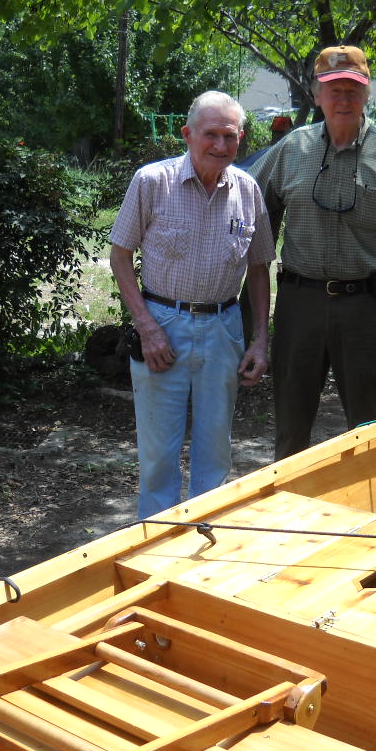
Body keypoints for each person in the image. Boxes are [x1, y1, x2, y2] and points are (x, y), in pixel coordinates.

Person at [249, 45, 376, 460]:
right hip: (300, 304)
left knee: (370, 433)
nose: (344, 98)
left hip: (365, 309)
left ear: (367, 94)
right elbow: (245, 204)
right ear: (316, 94)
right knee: (290, 432)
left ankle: (363, 518)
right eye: (334, 89)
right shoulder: (292, 149)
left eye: (353, 88)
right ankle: (288, 516)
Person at [110, 91, 275, 518]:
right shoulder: (152, 182)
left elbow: (259, 268)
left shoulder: (249, 191)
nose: (221, 146)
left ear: (241, 138)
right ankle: (155, 546)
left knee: (215, 450)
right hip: (162, 323)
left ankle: (203, 542)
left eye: (230, 136)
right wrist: (145, 326)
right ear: (187, 134)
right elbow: (120, 255)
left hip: (224, 327)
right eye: (210, 135)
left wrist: (260, 341)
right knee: (159, 452)